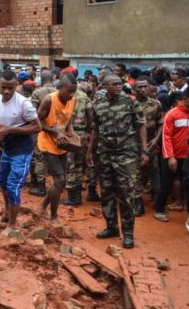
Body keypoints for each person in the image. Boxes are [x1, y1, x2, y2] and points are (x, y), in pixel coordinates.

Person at [87, 74, 148, 249]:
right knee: (106, 192)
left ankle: (128, 233)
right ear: (104, 86)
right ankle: (111, 227)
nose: (118, 86)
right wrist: (90, 152)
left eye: (119, 83)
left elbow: (141, 125)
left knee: (126, 194)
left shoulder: (130, 102)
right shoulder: (98, 105)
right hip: (105, 153)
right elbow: (95, 130)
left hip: (125, 154)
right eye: (113, 84)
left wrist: (144, 150)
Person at [0, 70, 40, 229]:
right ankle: (7, 212)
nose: (6, 91)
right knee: (2, 181)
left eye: (10, 88)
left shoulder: (23, 103)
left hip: (22, 149)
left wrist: (10, 130)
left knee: (13, 186)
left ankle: (12, 225)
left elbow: (37, 127)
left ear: (16, 86)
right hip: (7, 148)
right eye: (3, 87)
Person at [154, 85, 189, 222]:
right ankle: (159, 210)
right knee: (166, 184)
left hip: (188, 157)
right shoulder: (172, 114)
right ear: (185, 98)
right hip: (172, 157)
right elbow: (166, 136)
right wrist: (170, 157)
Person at [37, 72, 77, 222]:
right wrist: (55, 132)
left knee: (60, 181)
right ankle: (53, 216)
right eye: (69, 91)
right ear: (60, 87)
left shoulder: (72, 99)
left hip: (62, 144)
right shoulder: (49, 100)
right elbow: (37, 122)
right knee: (60, 180)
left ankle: (42, 206)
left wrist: (71, 132)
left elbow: (69, 117)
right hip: (47, 143)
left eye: (74, 91)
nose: (72, 94)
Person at [63, 69, 95, 205]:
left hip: (68, 134)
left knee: (69, 164)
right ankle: (78, 194)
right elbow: (90, 116)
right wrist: (88, 132)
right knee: (79, 164)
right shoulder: (83, 95)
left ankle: (73, 197)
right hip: (82, 134)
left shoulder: (63, 96)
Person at [133, 77, 162, 214]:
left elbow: (161, 123)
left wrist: (156, 139)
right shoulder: (130, 104)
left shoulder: (156, 104)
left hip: (151, 141)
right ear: (134, 90)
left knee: (154, 169)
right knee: (136, 172)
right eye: (140, 87)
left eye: (145, 86)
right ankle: (138, 202)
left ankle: (157, 199)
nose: (144, 89)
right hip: (133, 143)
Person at [29, 69, 57, 196]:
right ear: (53, 79)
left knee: (40, 157)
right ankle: (58, 186)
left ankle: (41, 187)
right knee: (57, 156)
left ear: (41, 79)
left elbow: (33, 113)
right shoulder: (59, 92)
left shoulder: (37, 92)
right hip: (57, 129)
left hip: (42, 129)